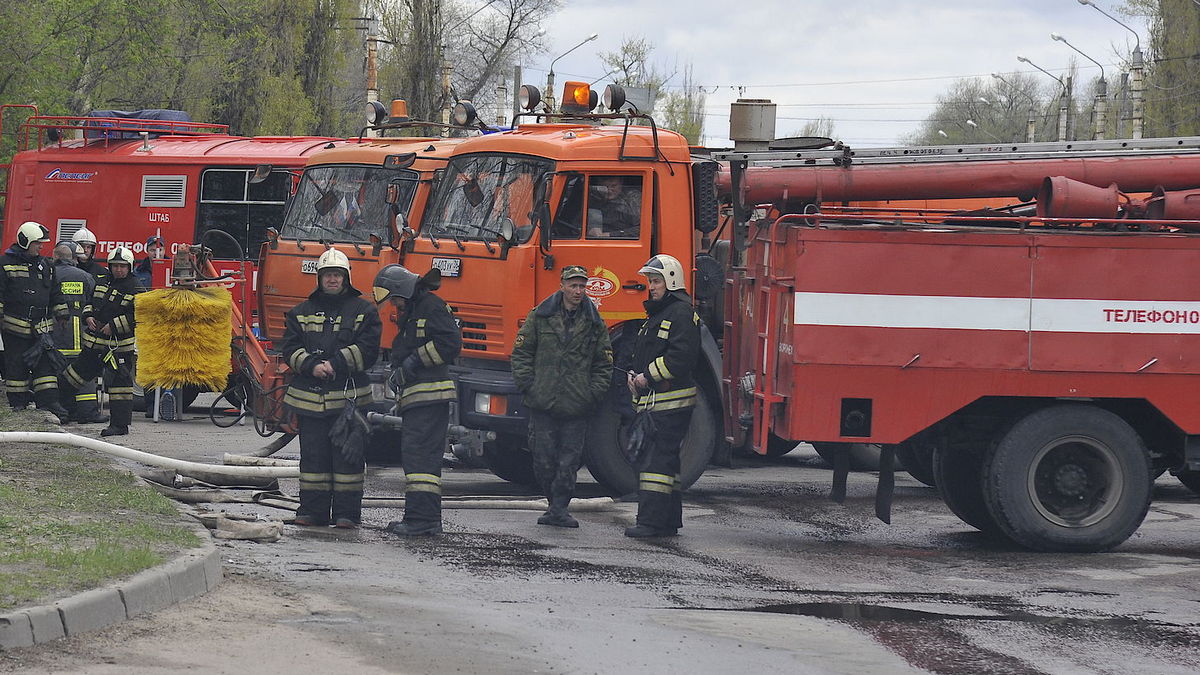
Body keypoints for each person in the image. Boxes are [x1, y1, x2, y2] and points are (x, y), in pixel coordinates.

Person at [278, 249, 381, 528]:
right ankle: (312, 512)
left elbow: (369, 349)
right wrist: (311, 365)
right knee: (313, 461)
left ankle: (347, 515)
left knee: (348, 460)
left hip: (348, 405)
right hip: (310, 402)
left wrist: (335, 364)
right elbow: (289, 347)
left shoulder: (364, 311)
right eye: (327, 275)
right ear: (319, 278)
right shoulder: (301, 312)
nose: (332, 280)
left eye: (337, 275)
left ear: (346, 278)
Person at [511, 265, 612, 528]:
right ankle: (552, 502)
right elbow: (521, 354)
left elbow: (604, 363)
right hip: (543, 401)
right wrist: (529, 386)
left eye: (582, 286)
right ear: (562, 286)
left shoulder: (594, 323)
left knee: (569, 461)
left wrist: (593, 394)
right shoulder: (540, 316)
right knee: (543, 459)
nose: (578, 291)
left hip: (577, 404)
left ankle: (560, 508)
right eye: (573, 285)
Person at [372, 264, 461, 536]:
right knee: (416, 460)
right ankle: (420, 517)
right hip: (419, 398)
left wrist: (413, 361)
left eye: (395, 298)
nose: (394, 304)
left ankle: (422, 520)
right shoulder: (414, 311)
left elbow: (450, 343)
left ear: (404, 290)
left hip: (430, 397)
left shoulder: (431, 307)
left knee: (421, 461)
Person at [624, 254, 701, 538]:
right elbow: (649, 353)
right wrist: (635, 374)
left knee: (655, 465)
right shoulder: (661, 313)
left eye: (656, 281)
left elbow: (680, 358)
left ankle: (651, 523)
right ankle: (668, 521)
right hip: (660, 402)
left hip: (671, 402)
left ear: (671, 281)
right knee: (666, 465)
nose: (651, 287)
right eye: (650, 282)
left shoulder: (679, 313)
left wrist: (648, 376)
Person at [60, 247, 142, 436]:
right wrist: (87, 315)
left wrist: (114, 325)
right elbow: (90, 301)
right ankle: (60, 410)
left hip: (118, 348)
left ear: (130, 267)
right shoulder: (102, 281)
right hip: (95, 345)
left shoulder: (136, 287)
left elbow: (137, 316)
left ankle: (119, 426)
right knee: (73, 376)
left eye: (122, 266)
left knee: (120, 387)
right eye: (115, 266)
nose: (118, 270)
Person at [0, 221, 70, 421]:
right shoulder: (5, 263)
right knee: (16, 367)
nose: (42, 246)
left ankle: (49, 403)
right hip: (14, 328)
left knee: (46, 367)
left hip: (41, 329)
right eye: (38, 243)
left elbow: (56, 292)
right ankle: (18, 403)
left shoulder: (46, 265)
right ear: (25, 241)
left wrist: (62, 313)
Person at [50, 242, 105, 424]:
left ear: (55, 257)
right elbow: (95, 304)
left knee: (54, 376)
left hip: (54, 336)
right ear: (73, 259)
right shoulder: (86, 277)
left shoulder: (47, 275)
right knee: (84, 375)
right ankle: (87, 412)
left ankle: (61, 412)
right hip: (80, 337)